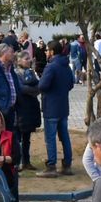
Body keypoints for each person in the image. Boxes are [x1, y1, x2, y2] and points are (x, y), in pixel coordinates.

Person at [34, 39, 76, 177]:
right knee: (64, 136)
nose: (46, 52)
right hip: (63, 106)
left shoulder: (51, 67)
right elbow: (71, 84)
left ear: (51, 52)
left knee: (50, 138)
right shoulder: (66, 65)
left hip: (51, 106)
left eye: (47, 50)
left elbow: (42, 86)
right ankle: (67, 164)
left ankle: (51, 166)